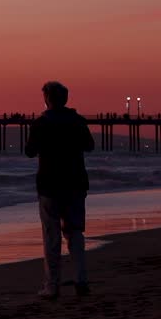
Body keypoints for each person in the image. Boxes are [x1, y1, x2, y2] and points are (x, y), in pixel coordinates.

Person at [24, 80, 95, 300]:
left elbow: (29, 152)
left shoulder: (41, 123)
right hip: (75, 183)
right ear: (65, 99)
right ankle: (81, 281)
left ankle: (52, 285)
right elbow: (90, 146)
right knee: (75, 233)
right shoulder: (77, 121)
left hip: (50, 184)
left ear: (47, 99)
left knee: (51, 236)